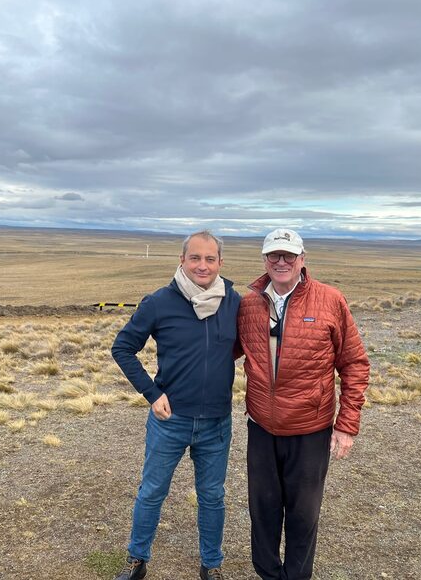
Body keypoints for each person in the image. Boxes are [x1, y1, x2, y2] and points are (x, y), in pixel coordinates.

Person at [237, 228, 370, 580]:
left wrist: (346, 424)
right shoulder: (249, 303)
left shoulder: (330, 300)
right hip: (262, 428)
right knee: (262, 511)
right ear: (264, 259)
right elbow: (222, 351)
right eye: (274, 255)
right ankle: (268, 574)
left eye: (289, 256)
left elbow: (354, 363)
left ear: (302, 260)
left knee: (303, 514)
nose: (281, 262)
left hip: (310, 429)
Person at [111, 230, 241, 580]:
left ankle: (211, 565)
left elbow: (241, 346)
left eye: (210, 258)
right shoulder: (159, 302)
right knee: (152, 491)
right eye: (195, 257)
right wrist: (152, 394)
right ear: (182, 260)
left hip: (217, 422)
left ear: (220, 263)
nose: (202, 265)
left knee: (212, 497)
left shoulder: (233, 302)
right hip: (170, 419)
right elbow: (122, 348)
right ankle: (137, 559)